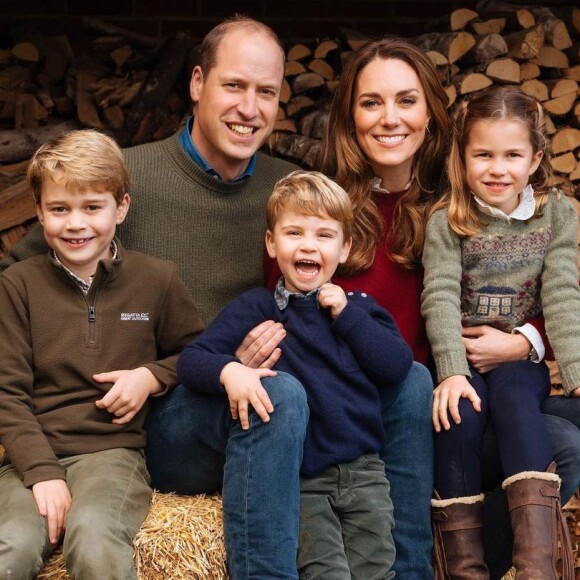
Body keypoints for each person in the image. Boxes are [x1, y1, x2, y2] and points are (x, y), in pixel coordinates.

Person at [0, 16, 309, 580]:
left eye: (266, 92)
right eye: (234, 86)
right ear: (196, 83)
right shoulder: (125, 178)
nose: (250, 107)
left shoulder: (288, 192)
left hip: (228, 399)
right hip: (146, 421)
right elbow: (23, 274)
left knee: (290, 396)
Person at [264, 35, 580, 579]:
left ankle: (514, 568)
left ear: (431, 114)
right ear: (350, 116)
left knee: (565, 439)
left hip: (458, 397)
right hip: (373, 411)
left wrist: (524, 341)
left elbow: (548, 291)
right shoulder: (318, 213)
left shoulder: (466, 201)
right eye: (371, 102)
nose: (390, 119)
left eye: (406, 101)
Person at [179, 170, 412, 579]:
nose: (308, 245)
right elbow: (193, 359)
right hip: (304, 478)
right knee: (325, 572)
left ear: (345, 249)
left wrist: (346, 315)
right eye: (294, 233)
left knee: (377, 569)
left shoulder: (360, 309)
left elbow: (395, 367)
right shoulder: (257, 308)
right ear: (272, 244)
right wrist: (231, 370)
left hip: (365, 473)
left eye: (324, 235)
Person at [0, 129, 204, 579]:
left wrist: (150, 376)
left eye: (92, 207)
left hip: (113, 454)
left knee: (93, 536)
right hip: (31, 455)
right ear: (38, 212)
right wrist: (42, 472)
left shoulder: (157, 280)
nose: (76, 224)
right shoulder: (18, 286)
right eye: (59, 209)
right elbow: (6, 394)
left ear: (122, 207)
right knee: (11, 546)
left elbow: (196, 353)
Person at [422, 86, 577, 579]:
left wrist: (576, 375)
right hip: (460, 359)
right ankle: (463, 568)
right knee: (458, 416)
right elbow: (440, 295)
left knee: (514, 398)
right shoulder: (448, 221)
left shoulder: (557, 214)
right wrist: (449, 372)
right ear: (462, 158)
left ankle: (536, 565)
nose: (497, 168)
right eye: (482, 154)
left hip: (518, 361)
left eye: (512, 155)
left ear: (535, 160)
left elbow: (562, 295)